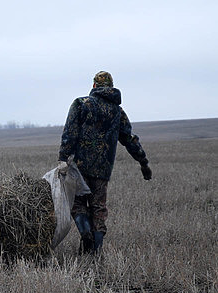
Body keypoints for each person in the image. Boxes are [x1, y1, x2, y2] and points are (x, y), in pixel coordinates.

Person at [59, 71, 152, 255]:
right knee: (98, 208)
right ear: (111, 87)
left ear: (94, 86)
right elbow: (129, 139)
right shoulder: (118, 112)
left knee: (77, 203)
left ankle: (85, 233)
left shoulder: (81, 103)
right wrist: (143, 162)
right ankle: (96, 250)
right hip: (103, 169)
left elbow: (70, 133)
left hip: (80, 166)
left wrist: (63, 158)